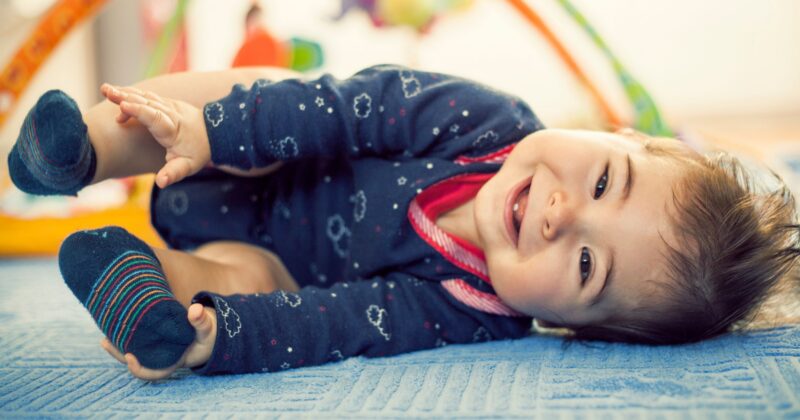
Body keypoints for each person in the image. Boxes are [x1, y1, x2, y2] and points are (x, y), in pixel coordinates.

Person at [7, 65, 799, 381]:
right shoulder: (486, 123)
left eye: (589, 267)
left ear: (574, 328)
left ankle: (149, 297)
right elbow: (347, 108)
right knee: (250, 93)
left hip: (263, 253)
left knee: (250, 285)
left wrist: (229, 338)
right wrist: (217, 137)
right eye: (601, 179)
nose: (562, 215)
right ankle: (81, 150)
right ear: (615, 134)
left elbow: (342, 322)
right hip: (259, 150)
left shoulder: (476, 310)